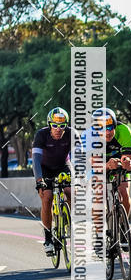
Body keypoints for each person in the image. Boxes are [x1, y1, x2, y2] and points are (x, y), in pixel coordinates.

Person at [32, 107, 72, 257]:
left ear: (66, 125)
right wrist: (39, 180)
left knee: (71, 191)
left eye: (62, 126)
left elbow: (81, 157)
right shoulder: (41, 135)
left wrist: (81, 176)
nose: (58, 129)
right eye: (54, 125)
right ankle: (48, 238)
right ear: (49, 124)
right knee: (47, 197)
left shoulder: (71, 134)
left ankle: (68, 221)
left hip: (63, 165)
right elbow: (35, 160)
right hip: (44, 168)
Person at [87, 108, 131, 215]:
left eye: (110, 128)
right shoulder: (90, 136)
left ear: (115, 125)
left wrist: (128, 163)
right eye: (103, 129)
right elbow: (95, 166)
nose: (107, 132)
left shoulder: (124, 131)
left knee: (124, 193)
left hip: (118, 162)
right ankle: (99, 231)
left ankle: (124, 226)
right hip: (100, 164)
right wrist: (108, 165)